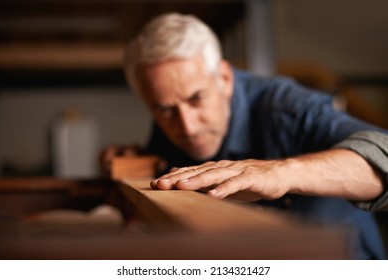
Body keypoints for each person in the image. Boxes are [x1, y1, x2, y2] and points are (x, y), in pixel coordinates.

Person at [101, 13, 388, 259]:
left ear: (224, 78)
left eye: (197, 98)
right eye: (164, 109)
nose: (187, 126)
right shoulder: (170, 118)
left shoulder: (289, 107)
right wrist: (135, 162)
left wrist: (280, 172)